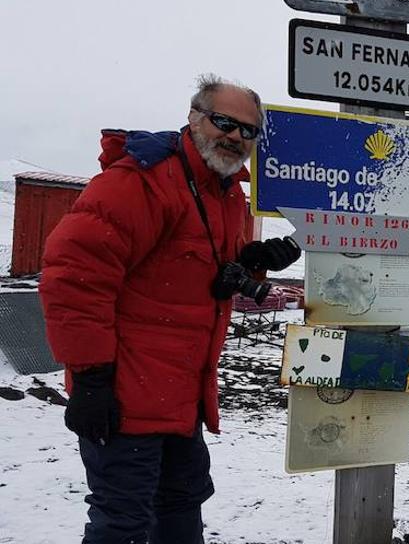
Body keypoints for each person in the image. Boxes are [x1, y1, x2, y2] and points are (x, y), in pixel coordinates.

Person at [39, 74, 301, 543]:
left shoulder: (228, 195)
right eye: (225, 122)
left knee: (181, 512)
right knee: (123, 526)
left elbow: (198, 276)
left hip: (181, 398)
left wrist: (251, 263)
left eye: (248, 131)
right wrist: (91, 378)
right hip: (125, 398)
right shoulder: (140, 182)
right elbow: (74, 277)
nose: (236, 137)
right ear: (194, 118)